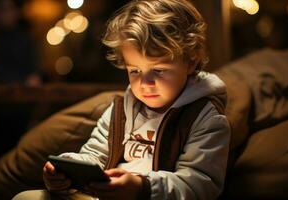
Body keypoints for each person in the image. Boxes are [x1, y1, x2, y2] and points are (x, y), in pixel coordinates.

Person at [13, 0, 230, 199]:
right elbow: (95, 155)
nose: (145, 83)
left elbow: (199, 185)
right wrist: (69, 170)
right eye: (134, 70)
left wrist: (141, 187)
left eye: (159, 70)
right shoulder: (122, 109)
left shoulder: (206, 118)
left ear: (191, 63)